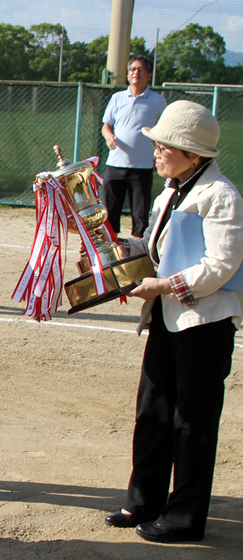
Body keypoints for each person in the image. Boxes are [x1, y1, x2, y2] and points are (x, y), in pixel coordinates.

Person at [104, 101, 243, 543]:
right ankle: (144, 500)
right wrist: (110, 242)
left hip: (204, 324)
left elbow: (220, 266)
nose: (158, 150)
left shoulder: (222, 196)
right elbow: (152, 245)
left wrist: (162, 287)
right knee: (153, 412)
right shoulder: (172, 189)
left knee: (192, 421)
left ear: (194, 155)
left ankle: (184, 517)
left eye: (166, 145)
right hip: (167, 319)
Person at [101, 56, 166, 238]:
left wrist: (158, 156)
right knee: (109, 211)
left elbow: (163, 131)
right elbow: (106, 125)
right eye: (132, 69)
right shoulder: (117, 98)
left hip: (142, 167)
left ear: (149, 75)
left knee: (140, 214)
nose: (135, 72)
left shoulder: (158, 101)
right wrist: (109, 136)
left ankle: (138, 255)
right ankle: (111, 252)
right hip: (115, 165)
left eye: (141, 69)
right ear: (128, 75)